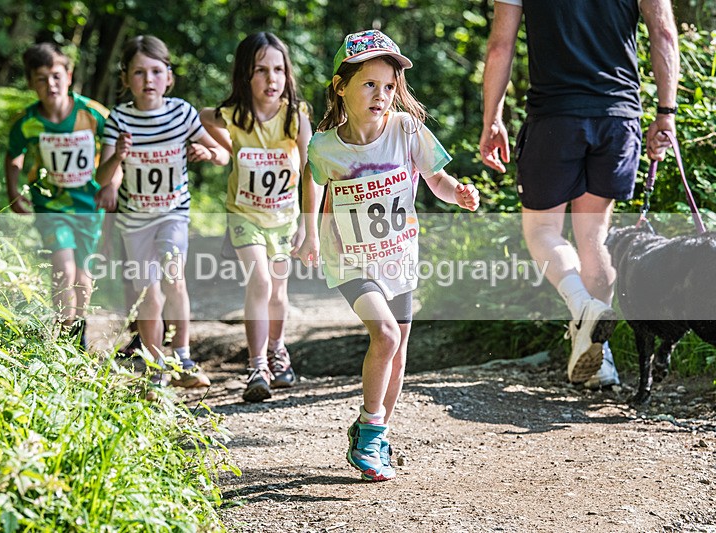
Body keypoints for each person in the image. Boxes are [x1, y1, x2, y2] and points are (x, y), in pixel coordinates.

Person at [299, 29, 480, 481]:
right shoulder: (325, 146)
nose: (381, 94)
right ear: (341, 87)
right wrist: (308, 234)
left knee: (398, 352)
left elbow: (436, 179)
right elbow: (313, 185)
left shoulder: (407, 129)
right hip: (350, 258)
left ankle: (373, 431)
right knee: (384, 335)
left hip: (399, 256)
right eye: (369, 84)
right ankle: (369, 436)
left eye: (388, 85)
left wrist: (457, 192)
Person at [479, 0, 679, 387]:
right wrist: (665, 114)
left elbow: (500, 46)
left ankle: (582, 307)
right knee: (595, 235)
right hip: (617, 116)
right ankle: (599, 361)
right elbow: (664, 33)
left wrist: (493, 118)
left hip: (555, 116)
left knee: (542, 230)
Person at [95, 35, 230, 388]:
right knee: (149, 295)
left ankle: (183, 357)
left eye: (156, 71)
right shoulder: (119, 119)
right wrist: (117, 156)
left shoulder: (182, 113)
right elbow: (102, 178)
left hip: (173, 213)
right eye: (139, 72)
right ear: (126, 79)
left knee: (173, 277)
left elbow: (222, 154)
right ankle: (156, 368)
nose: (148, 80)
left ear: (168, 76)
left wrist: (207, 153)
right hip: (135, 221)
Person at [200, 33, 313, 403]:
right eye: (261, 70)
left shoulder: (295, 117)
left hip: (283, 218)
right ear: (245, 75)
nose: (271, 78)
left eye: (278, 69)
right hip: (244, 215)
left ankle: (278, 350)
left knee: (278, 292)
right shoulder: (234, 116)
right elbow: (197, 117)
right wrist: (224, 149)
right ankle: (257, 366)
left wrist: (308, 225)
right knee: (260, 282)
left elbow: (311, 171)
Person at [5, 42, 109, 348]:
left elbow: (117, 148)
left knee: (83, 275)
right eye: (41, 78)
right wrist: (13, 191)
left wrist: (112, 184)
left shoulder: (93, 114)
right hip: (50, 206)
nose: (50, 84)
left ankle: (79, 329)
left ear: (69, 75)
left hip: (89, 206)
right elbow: (14, 154)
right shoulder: (27, 121)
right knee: (63, 269)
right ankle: (64, 335)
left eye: (56, 76)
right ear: (31, 83)